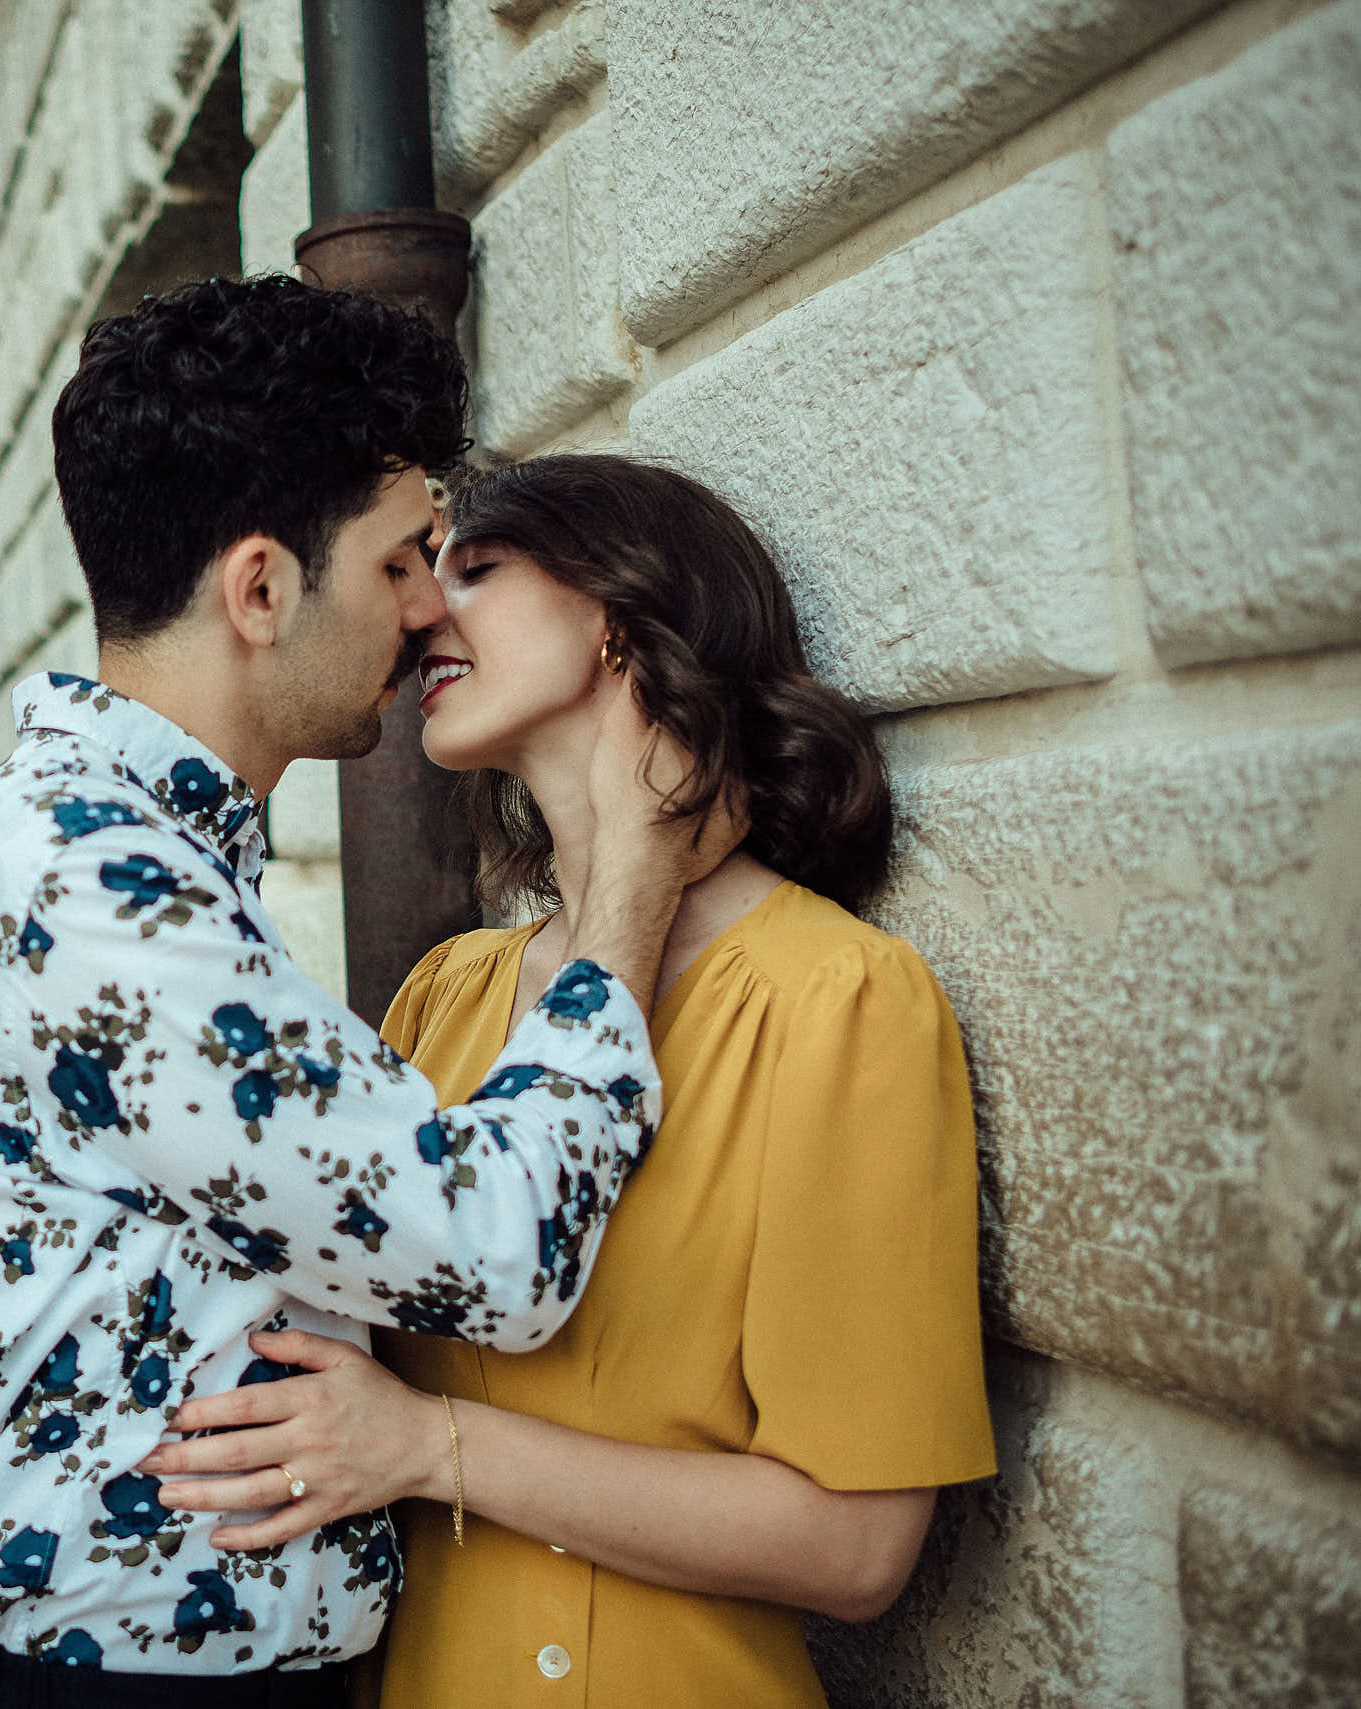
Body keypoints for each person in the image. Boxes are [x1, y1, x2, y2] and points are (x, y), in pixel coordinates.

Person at [0, 284, 734, 1707]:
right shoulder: (90, 879)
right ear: (261, 589)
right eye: (404, 559)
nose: (428, 604)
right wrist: (633, 881)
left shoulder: (95, 849)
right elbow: (491, 1252)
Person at [140, 454, 996, 1707]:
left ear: (620, 621)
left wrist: (428, 1446)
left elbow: (857, 1543)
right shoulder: (448, 993)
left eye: (474, 568)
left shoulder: (836, 997)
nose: (424, 607)